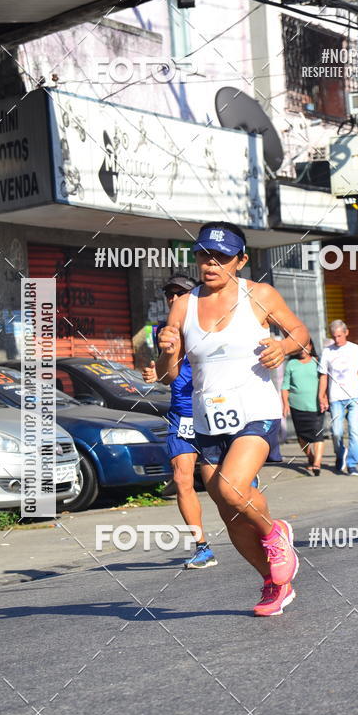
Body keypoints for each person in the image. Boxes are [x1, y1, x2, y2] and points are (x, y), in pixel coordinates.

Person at [156, 221, 310, 616]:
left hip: (255, 409)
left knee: (231, 487)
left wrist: (284, 348)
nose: (211, 264)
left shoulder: (259, 295)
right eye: (204, 255)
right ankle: (275, 583)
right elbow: (168, 374)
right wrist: (168, 348)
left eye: (221, 257)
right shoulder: (183, 304)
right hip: (207, 418)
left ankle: (277, 533)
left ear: (240, 261)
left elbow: (299, 332)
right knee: (230, 513)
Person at [142, 275, 217, 569]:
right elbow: (165, 371)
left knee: (217, 486)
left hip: (212, 410)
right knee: (182, 478)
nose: (174, 299)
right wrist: (154, 374)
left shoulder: (209, 324)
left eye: (180, 293)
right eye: (169, 294)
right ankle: (202, 547)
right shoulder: (163, 331)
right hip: (181, 413)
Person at [318, 320, 358, 476]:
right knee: (336, 432)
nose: (337, 339)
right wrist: (322, 396)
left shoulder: (355, 349)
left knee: (355, 432)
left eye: (339, 336)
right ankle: (340, 455)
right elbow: (323, 376)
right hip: (336, 398)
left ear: (346, 333)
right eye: (334, 336)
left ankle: (352, 464)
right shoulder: (327, 351)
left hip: (354, 396)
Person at [281, 338, 325, 475]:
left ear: (311, 346)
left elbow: (325, 380)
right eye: (299, 347)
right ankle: (311, 457)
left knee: (318, 435)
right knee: (302, 437)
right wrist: (285, 404)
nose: (303, 349)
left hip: (316, 406)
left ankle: (317, 464)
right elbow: (285, 386)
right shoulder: (291, 364)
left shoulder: (317, 362)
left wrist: (324, 397)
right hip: (297, 406)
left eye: (305, 346)